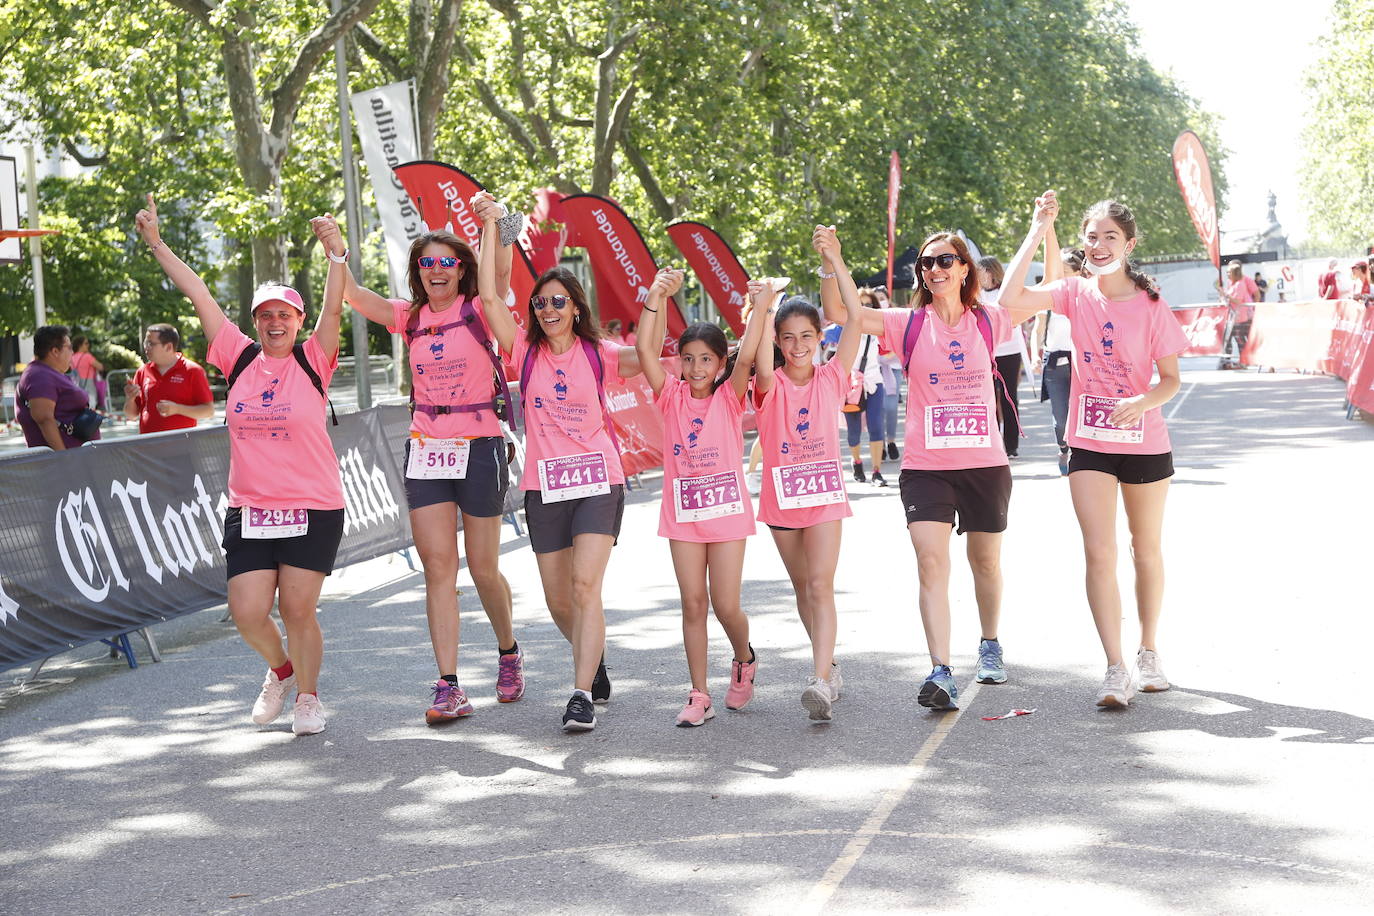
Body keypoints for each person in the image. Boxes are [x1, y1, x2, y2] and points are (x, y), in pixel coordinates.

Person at [136, 193, 346, 736]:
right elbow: (199, 291)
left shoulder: (313, 358)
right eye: (266, 315)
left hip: (311, 506)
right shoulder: (239, 355)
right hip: (251, 508)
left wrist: (336, 257)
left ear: (298, 320)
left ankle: (308, 697)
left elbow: (333, 308)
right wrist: (157, 243)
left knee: (299, 610)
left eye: (285, 314)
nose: (276, 322)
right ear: (254, 322)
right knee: (250, 612)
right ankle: (281, 670)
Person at [315, 209, 523, 725]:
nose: (437, 270)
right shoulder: (408, 316)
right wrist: (337, 251)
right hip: (427, 447)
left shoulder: (479, 308)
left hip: (479, 445)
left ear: (460, 269)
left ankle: (508, 650)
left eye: (447, 263)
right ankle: (448, 684)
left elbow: (500, 276)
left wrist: (497, 224)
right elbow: (353, 297)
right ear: (418, 270)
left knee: (482, 568)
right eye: (427, 262)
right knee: (438, 569)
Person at [1001, 191, 1191, 709]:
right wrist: (1040, 227)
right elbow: (1008, 300)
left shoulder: (1152, 305)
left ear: (1129, 244)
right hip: (1088, 442)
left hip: (1144, 441)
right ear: (1083, 244)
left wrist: (1143, 400)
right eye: (1092, 236)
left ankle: (1149, 652)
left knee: (1144, 549)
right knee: (1098, 551)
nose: (1100, 244)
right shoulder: (1072, 292)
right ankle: (1115, 668)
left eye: (1111, 236)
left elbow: (1171, 380)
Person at [823, 232, 1016, 711]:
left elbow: (1031, 289)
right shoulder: (906, 323)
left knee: (985, 562)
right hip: (926, 466)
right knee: (931, 561)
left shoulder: (989, 320)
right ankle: (941, 671)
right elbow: (841, 313)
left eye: (945, 260)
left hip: (984, 463)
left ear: (965, 268)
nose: (934, 269)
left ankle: (989, 643)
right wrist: (833, 260)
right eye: (927, 263)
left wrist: (1041, 228)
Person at [475, 191, 645, 733]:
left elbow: (652, 359)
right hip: (544, 488)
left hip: (599, 482)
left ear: (576, 307)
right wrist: (491, 226)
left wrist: (658, 304)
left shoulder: (601, 355)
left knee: (583, 588)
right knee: (556, 599)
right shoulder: (523, 352)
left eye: (558, 302)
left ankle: (579, 694)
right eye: (541, 304)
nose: (547, 310)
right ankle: (592, 660)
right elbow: (488, 297)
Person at [635, 269, 770, 727]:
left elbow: (749, 351)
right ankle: (699, 694)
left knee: (725, 603)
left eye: (706, 361)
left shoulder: (730, 397)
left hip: (728, 515)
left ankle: (744, 658)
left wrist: (762, 304)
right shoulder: (670, 396)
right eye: (688, 360)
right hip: (684, 516)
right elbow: (642, 350)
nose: (696, 369)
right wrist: (656, 297)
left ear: (720, 363)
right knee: (693, 602)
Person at [754, 225, 862, 722]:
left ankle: (819, 681)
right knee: (803, 589)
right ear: (778, 341)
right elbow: (755, 358)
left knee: (821, 585)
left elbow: (856, 318)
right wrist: (762, 308)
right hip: (781, 503)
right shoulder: (768, 384)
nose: (798, 346)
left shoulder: (833, 376)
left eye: (807, 337)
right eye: (789, 338)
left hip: (822, 499)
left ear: (820, 339)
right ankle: (830, 664)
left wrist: (834, 259)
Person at [17, 325, 99, 450]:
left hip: (76, 457)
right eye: (69, 348)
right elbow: (44, 419)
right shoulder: (39, 376)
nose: (72, 352)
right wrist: (63, 458)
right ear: (55, 351)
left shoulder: (47, 373)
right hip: (62, 462)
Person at [979, 257, 1029, 458]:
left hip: (1009, 351)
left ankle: (1011, 446)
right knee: (987, 399)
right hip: (985, 353)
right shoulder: (976, 294)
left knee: (1009, 399)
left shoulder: (1005, 293)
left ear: (991, 272)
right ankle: (992, 443)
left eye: (980, 271)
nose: (978, 275)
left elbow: (1018, 316)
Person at [123, 323, 214, 434]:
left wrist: (177, 409)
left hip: (182, 445)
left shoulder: (193, 371)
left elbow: (208, 411)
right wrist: (130, 398)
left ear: (168, 347)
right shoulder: (142, 371)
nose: (146, 347)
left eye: (151, 343)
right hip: (148, 445)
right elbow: (131, 415)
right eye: (145, 342)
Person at [1035, 241, 1077, 475]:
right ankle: (1063, 447)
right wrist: (1034, 356)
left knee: (1081, 413)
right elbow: (1038, 329)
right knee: (1061, 417)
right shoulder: (1049, 297)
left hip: (1082, 362)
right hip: (1055, 363)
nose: (1060, 276)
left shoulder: (1087, 295)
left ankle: (1083, 456)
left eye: (1065, 271)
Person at [845, 288, 887, 487]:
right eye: (861, 304)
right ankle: (857, 462)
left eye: (869, 304)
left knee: (876, 427)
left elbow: (892, 349)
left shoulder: (880, 328)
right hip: (851, 385)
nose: (865, 308)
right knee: (853, 431)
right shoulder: (843, 326)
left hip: (874, 382)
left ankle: (877, 471)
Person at [1217, 260, 1259, 369]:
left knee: (1241, 339)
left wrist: (1226, 295)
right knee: (1234, 339)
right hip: (1234, 316)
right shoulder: (1232, 283)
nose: (1227, 274)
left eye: (1229, 272)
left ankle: (1245, 361)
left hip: (1242, 316)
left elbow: (1238, 300)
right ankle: (1231, 361)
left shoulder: (1242, 283)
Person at [69, 336, 103, 409]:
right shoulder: (87, 356)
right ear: (80, 345)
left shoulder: (71, 357)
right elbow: (100, 367)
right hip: (88, 385)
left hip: (76, 385)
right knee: (91, 406)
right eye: (86, 343)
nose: (88, 345)